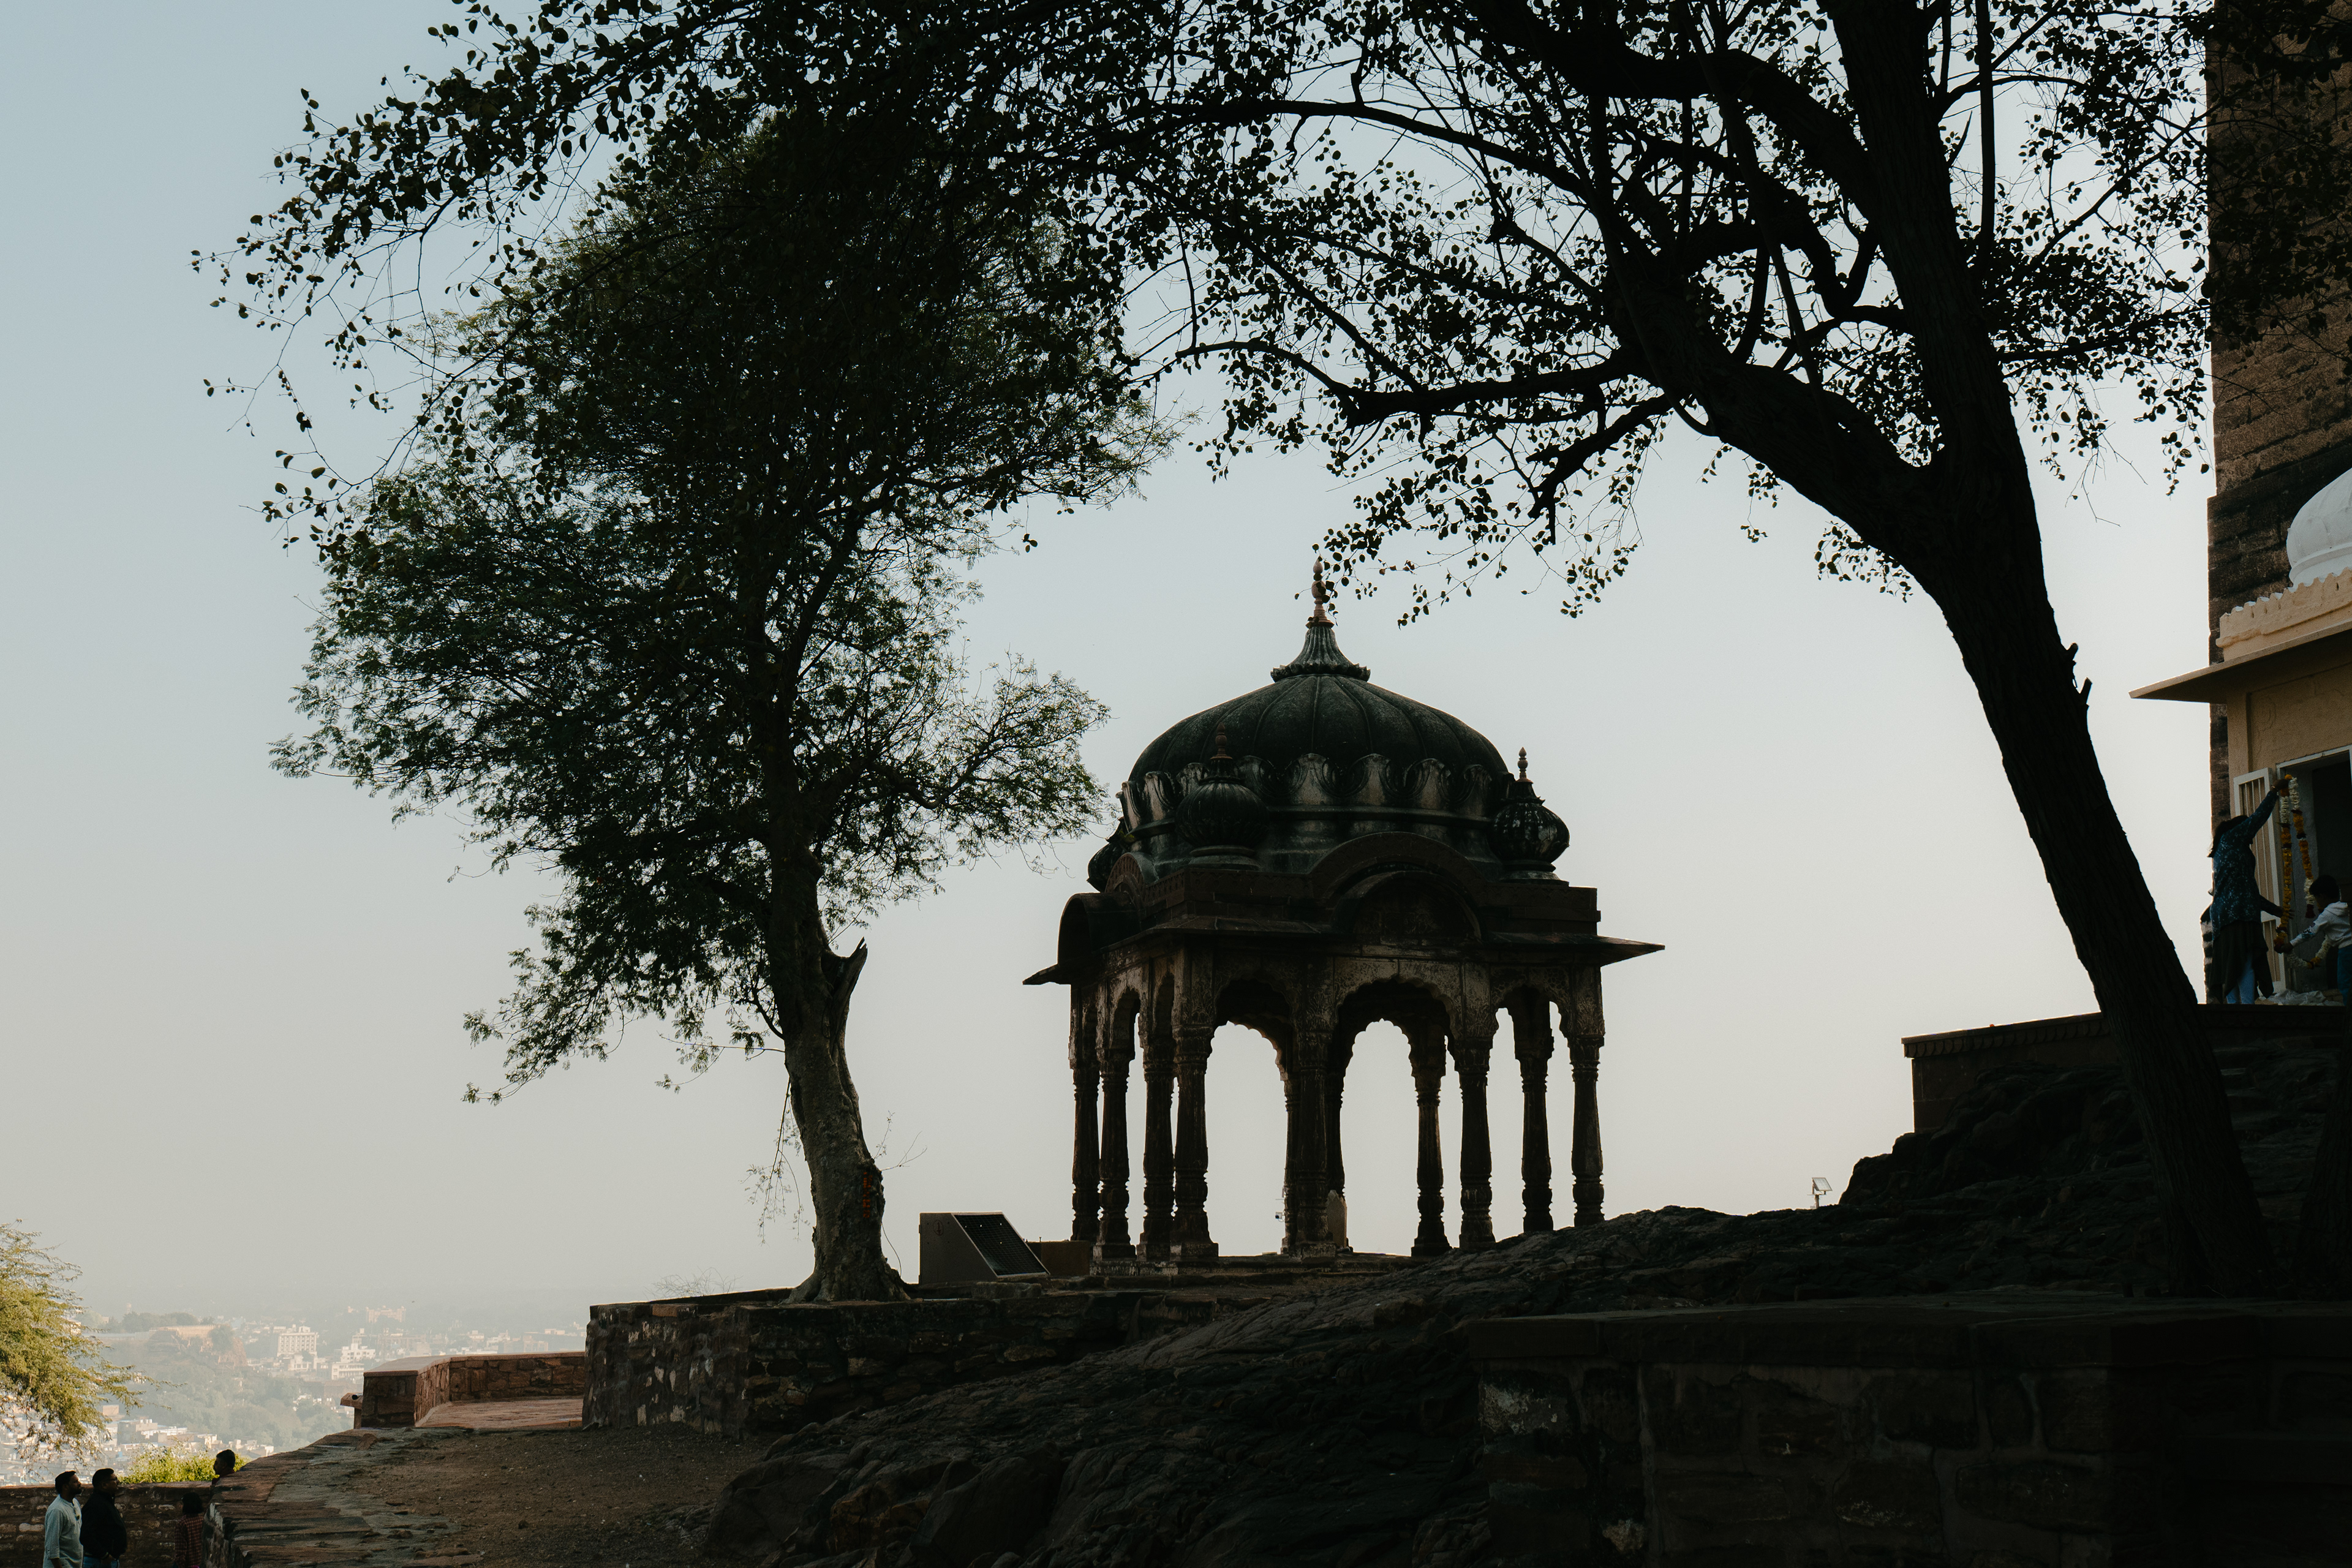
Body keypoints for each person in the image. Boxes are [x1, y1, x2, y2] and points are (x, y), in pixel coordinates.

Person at [2211, 782, 2286, 1003]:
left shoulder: (2222, 850)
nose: (2251, 839)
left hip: (2224, 916)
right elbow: (2257, 819)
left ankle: (2237, 1008)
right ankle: (2246, 1007)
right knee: (2245, 962)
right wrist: (2273, 792)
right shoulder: (2233, 839)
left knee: (2230, 966)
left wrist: (2274, 909)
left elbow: (2245, 891)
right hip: (2239, 914)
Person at [2302, 873, 2352, 997]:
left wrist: (2292, 944)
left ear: (2322, 896)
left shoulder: (2327, 914)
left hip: (2346, 951)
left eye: (2316, 898)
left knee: (2345, 984)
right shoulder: (2346, 906)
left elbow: (2310, 932)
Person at [81, 1469, 125, 1568]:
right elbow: (86, 1535)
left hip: (107, 1560)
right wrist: (104, 1555)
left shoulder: (106, 1502)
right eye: (114, 1479)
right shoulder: (96, 1505)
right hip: (100, 1561)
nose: (118, 1482)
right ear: (104, 1485)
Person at [43, 1470, 83, 1568]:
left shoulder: (75, 1503)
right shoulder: (57, 1510)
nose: (79, 1484)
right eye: (75, 1482)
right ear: (65, 1487)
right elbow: (52, 1544)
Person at [170, 1491, 205, 1568]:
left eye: (182, 1504)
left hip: (187, 1564)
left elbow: (181, 1551)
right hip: (198, 1562)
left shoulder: (182, 1524)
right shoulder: (202, 1521)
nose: (181, 1506)